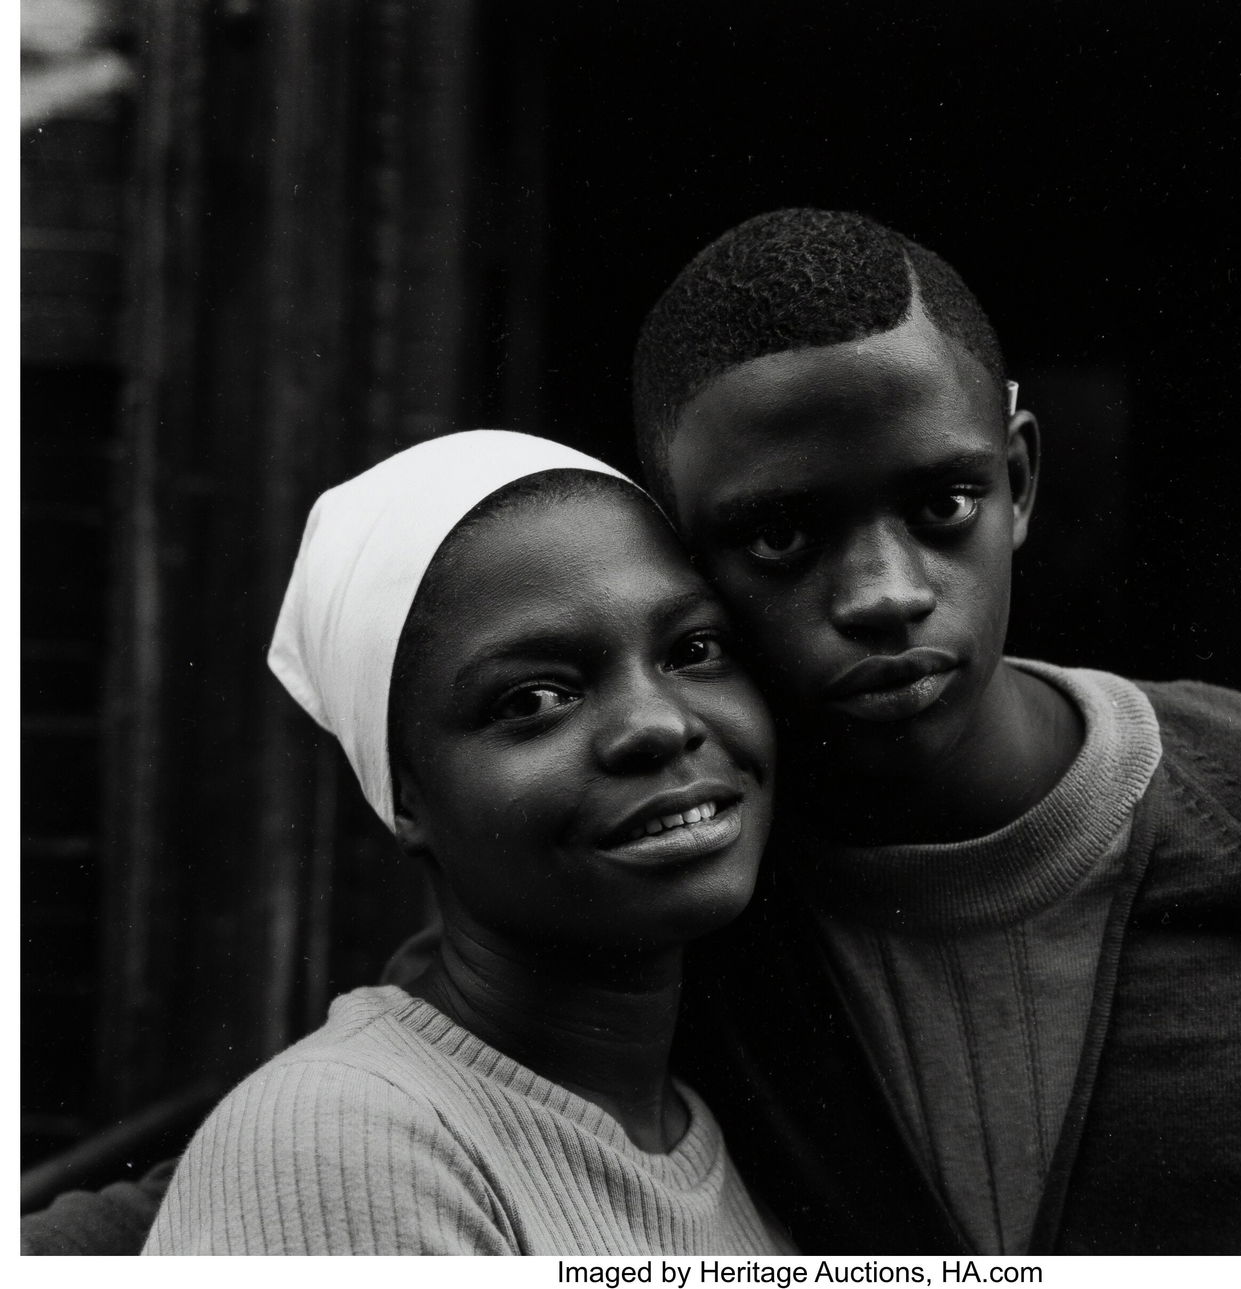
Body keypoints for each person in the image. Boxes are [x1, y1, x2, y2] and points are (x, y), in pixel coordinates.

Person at [628, 208, 1241, 1254]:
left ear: (1018, 481)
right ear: (675, 559)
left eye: (943, 504)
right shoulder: (682, 907)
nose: (884, 592)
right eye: (779, 535)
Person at [141, 431, 791, 1255]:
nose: (659, 724)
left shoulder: (730, 1129)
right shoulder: (349, 1143)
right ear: (405, 795)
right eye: (534, 698)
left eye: (693, 650)